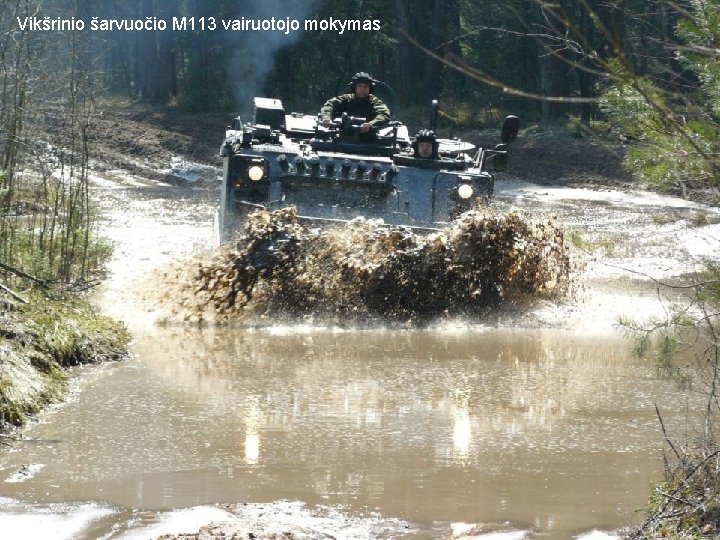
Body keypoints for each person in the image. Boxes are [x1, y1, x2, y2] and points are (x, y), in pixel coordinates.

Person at [319, 72, 390, 134]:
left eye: (365, 87)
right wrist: (326, 118)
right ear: (354, 87)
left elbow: (383, 114)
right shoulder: (346, 99)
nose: (362, 89)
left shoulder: (375, 102)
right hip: (342, 136)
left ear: (370, 88)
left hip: (368, 138)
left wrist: (370, 124)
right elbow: (329, 105)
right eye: (359, 86)